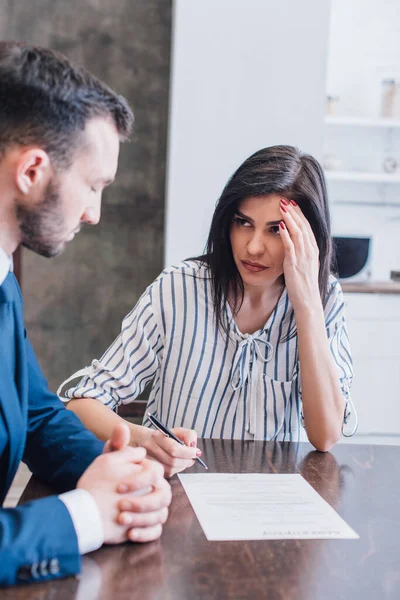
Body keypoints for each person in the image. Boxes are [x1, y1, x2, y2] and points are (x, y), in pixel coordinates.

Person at [0, 41, 183, 587]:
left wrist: (116, 477)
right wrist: (87, 515)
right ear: (33, 169)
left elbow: (34, 412)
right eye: (94, 184)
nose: (94, 213)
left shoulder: (2, 276)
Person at [61, 145, 355, 460]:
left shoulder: (325, 299)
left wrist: (307, 304)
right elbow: (81, 404)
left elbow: (325, 436)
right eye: (243, 223)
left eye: (275, 230)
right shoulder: (178, 288)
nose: (253, 247)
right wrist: (144, 438)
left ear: (308, 236)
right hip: (175, 488)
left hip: (269, 496)